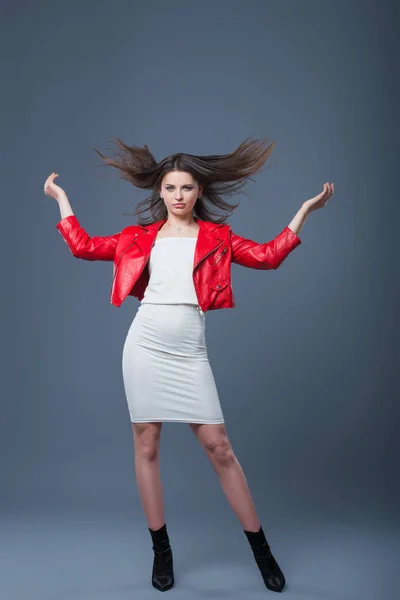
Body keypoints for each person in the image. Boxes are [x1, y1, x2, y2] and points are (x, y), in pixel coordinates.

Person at [44, 136, 334, 593]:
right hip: (144, 345)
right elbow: (82, 246)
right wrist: (61, 200)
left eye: (187, 188)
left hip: (189, 353)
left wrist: (303, 212)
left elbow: (268, 256)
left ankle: (262, 551)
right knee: (148, 446)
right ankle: (161, 551)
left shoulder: (217, 237)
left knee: (219, 447)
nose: (179, 195)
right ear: (159, 192)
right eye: (171, 188)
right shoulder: (137, 238)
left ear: (199, 192)